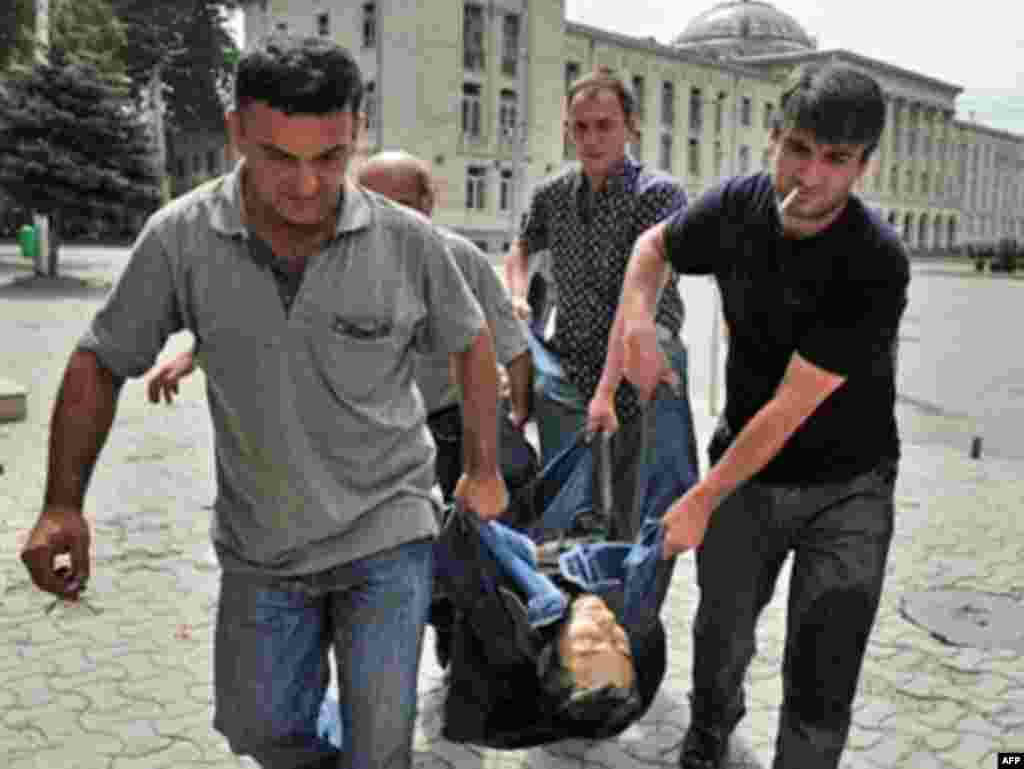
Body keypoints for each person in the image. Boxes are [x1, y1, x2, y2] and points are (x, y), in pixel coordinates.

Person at [19, 34, 507, 769]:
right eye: (280, 156)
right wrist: (62, 502)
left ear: (356, 135)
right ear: (237, 132)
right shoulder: (181, 238)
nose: (308, 185)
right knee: (258, 730)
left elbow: (473, 344)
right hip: (263, 547)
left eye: (330, 157)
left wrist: (483, 466)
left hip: (389, 528)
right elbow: (100, 358)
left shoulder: (407, 243)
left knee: (382, 751)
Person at [593, 64, 909, 769]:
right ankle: (708, 742)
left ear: (864, 166)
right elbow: (653, 248)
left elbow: (790, 407)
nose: (812, 175)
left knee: (823, 669)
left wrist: (700, 497)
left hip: (847, 489)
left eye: (837, 160)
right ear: (773, 138)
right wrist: (638, 324)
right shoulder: (737, 206)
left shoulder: (876, 260)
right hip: (747, 477)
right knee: (720, 638)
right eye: (798, 148)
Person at [148, 150, 533, 505]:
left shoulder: (458, 257)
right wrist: (193, 355)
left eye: (402, 205)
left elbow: (510, 343)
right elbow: (266, 320)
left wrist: (517, 414)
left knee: (482, 506)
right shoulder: (329, 254)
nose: (388, 216)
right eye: (373, 201)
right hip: (368, 425)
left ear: (427, 206)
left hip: (448, 417)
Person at [504, 66, 696, 540]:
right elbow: (522, 246)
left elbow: (637, 308)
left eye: (604, 125)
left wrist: (608, 392)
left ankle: (634, 606)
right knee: (567, 502)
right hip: (571, 362)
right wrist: (514, 292)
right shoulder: (552, 194)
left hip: (643, 363)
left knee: (639, 508)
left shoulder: (658, 195)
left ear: (631, 127)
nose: (591, 138)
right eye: (580, 127)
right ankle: (576, 601)